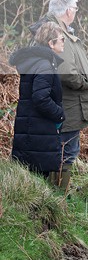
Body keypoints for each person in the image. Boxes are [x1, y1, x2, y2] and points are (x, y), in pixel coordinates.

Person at [36, 0, 88, 188]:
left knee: (61, 151)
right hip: (68, 105)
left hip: (64, 104)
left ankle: (55, 193)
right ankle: (59, 195)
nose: (75, 12)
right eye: (75, 9)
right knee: (67, 152)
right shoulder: (58, 33)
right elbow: (66, 72)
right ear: (68, 10)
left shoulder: (56, 29)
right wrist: (84, 83)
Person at [9, 22, 67, 187]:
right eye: (62, 39)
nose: (64, 42)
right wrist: (60, 114)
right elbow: (41, 98)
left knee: (30, 181)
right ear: (51, 43)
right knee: (37, 181)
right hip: (38, 131)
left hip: (32, 129)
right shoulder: (45, 65)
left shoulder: (37, 62)